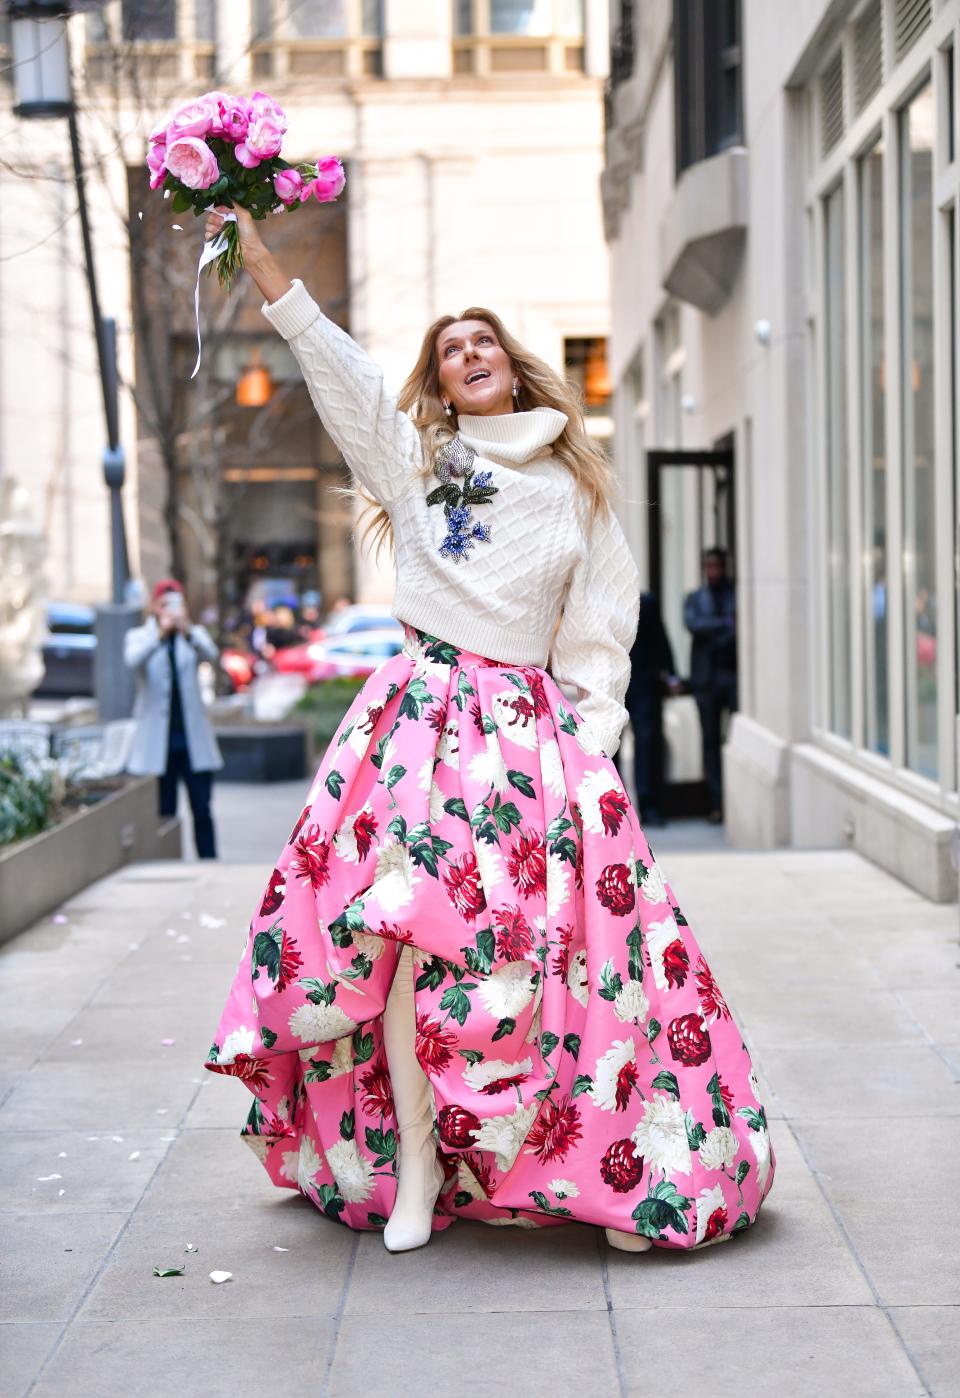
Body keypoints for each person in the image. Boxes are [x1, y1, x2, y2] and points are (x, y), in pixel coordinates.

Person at [202, 206, 774, 1256]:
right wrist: (260, 255)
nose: (467, 356)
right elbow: (336, 367)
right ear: (441, 380)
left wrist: (591, 750)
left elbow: (604, 622)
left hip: (531, 739)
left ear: (511, 366)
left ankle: (605, 1163)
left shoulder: (573, 484)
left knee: (565, 957)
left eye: (483, 343)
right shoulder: (415, 461)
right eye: (448, 350)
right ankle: (418, 1167)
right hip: (419, 723)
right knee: (413, 951)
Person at [124, 579, 223, 859]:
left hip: (193, 740)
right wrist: (159, 634)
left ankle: (208, 861)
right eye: (166, 603)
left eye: (177, 602)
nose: (172, 608)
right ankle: (165, 860)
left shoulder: (192, 635)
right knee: (164, 811)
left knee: (202, 808)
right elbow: (131, 661)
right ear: (155, 606)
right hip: (158, 742)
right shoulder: (141, 636)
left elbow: (212, 655)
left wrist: (186, 630)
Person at [684, 548, 737, 824]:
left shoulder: (735, 594)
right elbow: (694, 624)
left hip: (731, 677)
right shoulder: (695, 599)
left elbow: (738, 629)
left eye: (717, 566)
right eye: (709, 566)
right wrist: (724, 625)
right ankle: (716, 804)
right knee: (710, 744)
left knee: (733, 740)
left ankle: (735, 803)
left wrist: (717, 629)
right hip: (706, 682)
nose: (713, 571)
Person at [620, 591, 679, 826]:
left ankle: (648, 806)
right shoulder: (600, 603)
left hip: (643, 684)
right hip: (612, 686)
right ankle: (618, 809)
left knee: (645, 744)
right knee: (611, 747)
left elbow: (660, 639)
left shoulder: (645, 603)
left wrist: (671, 673)